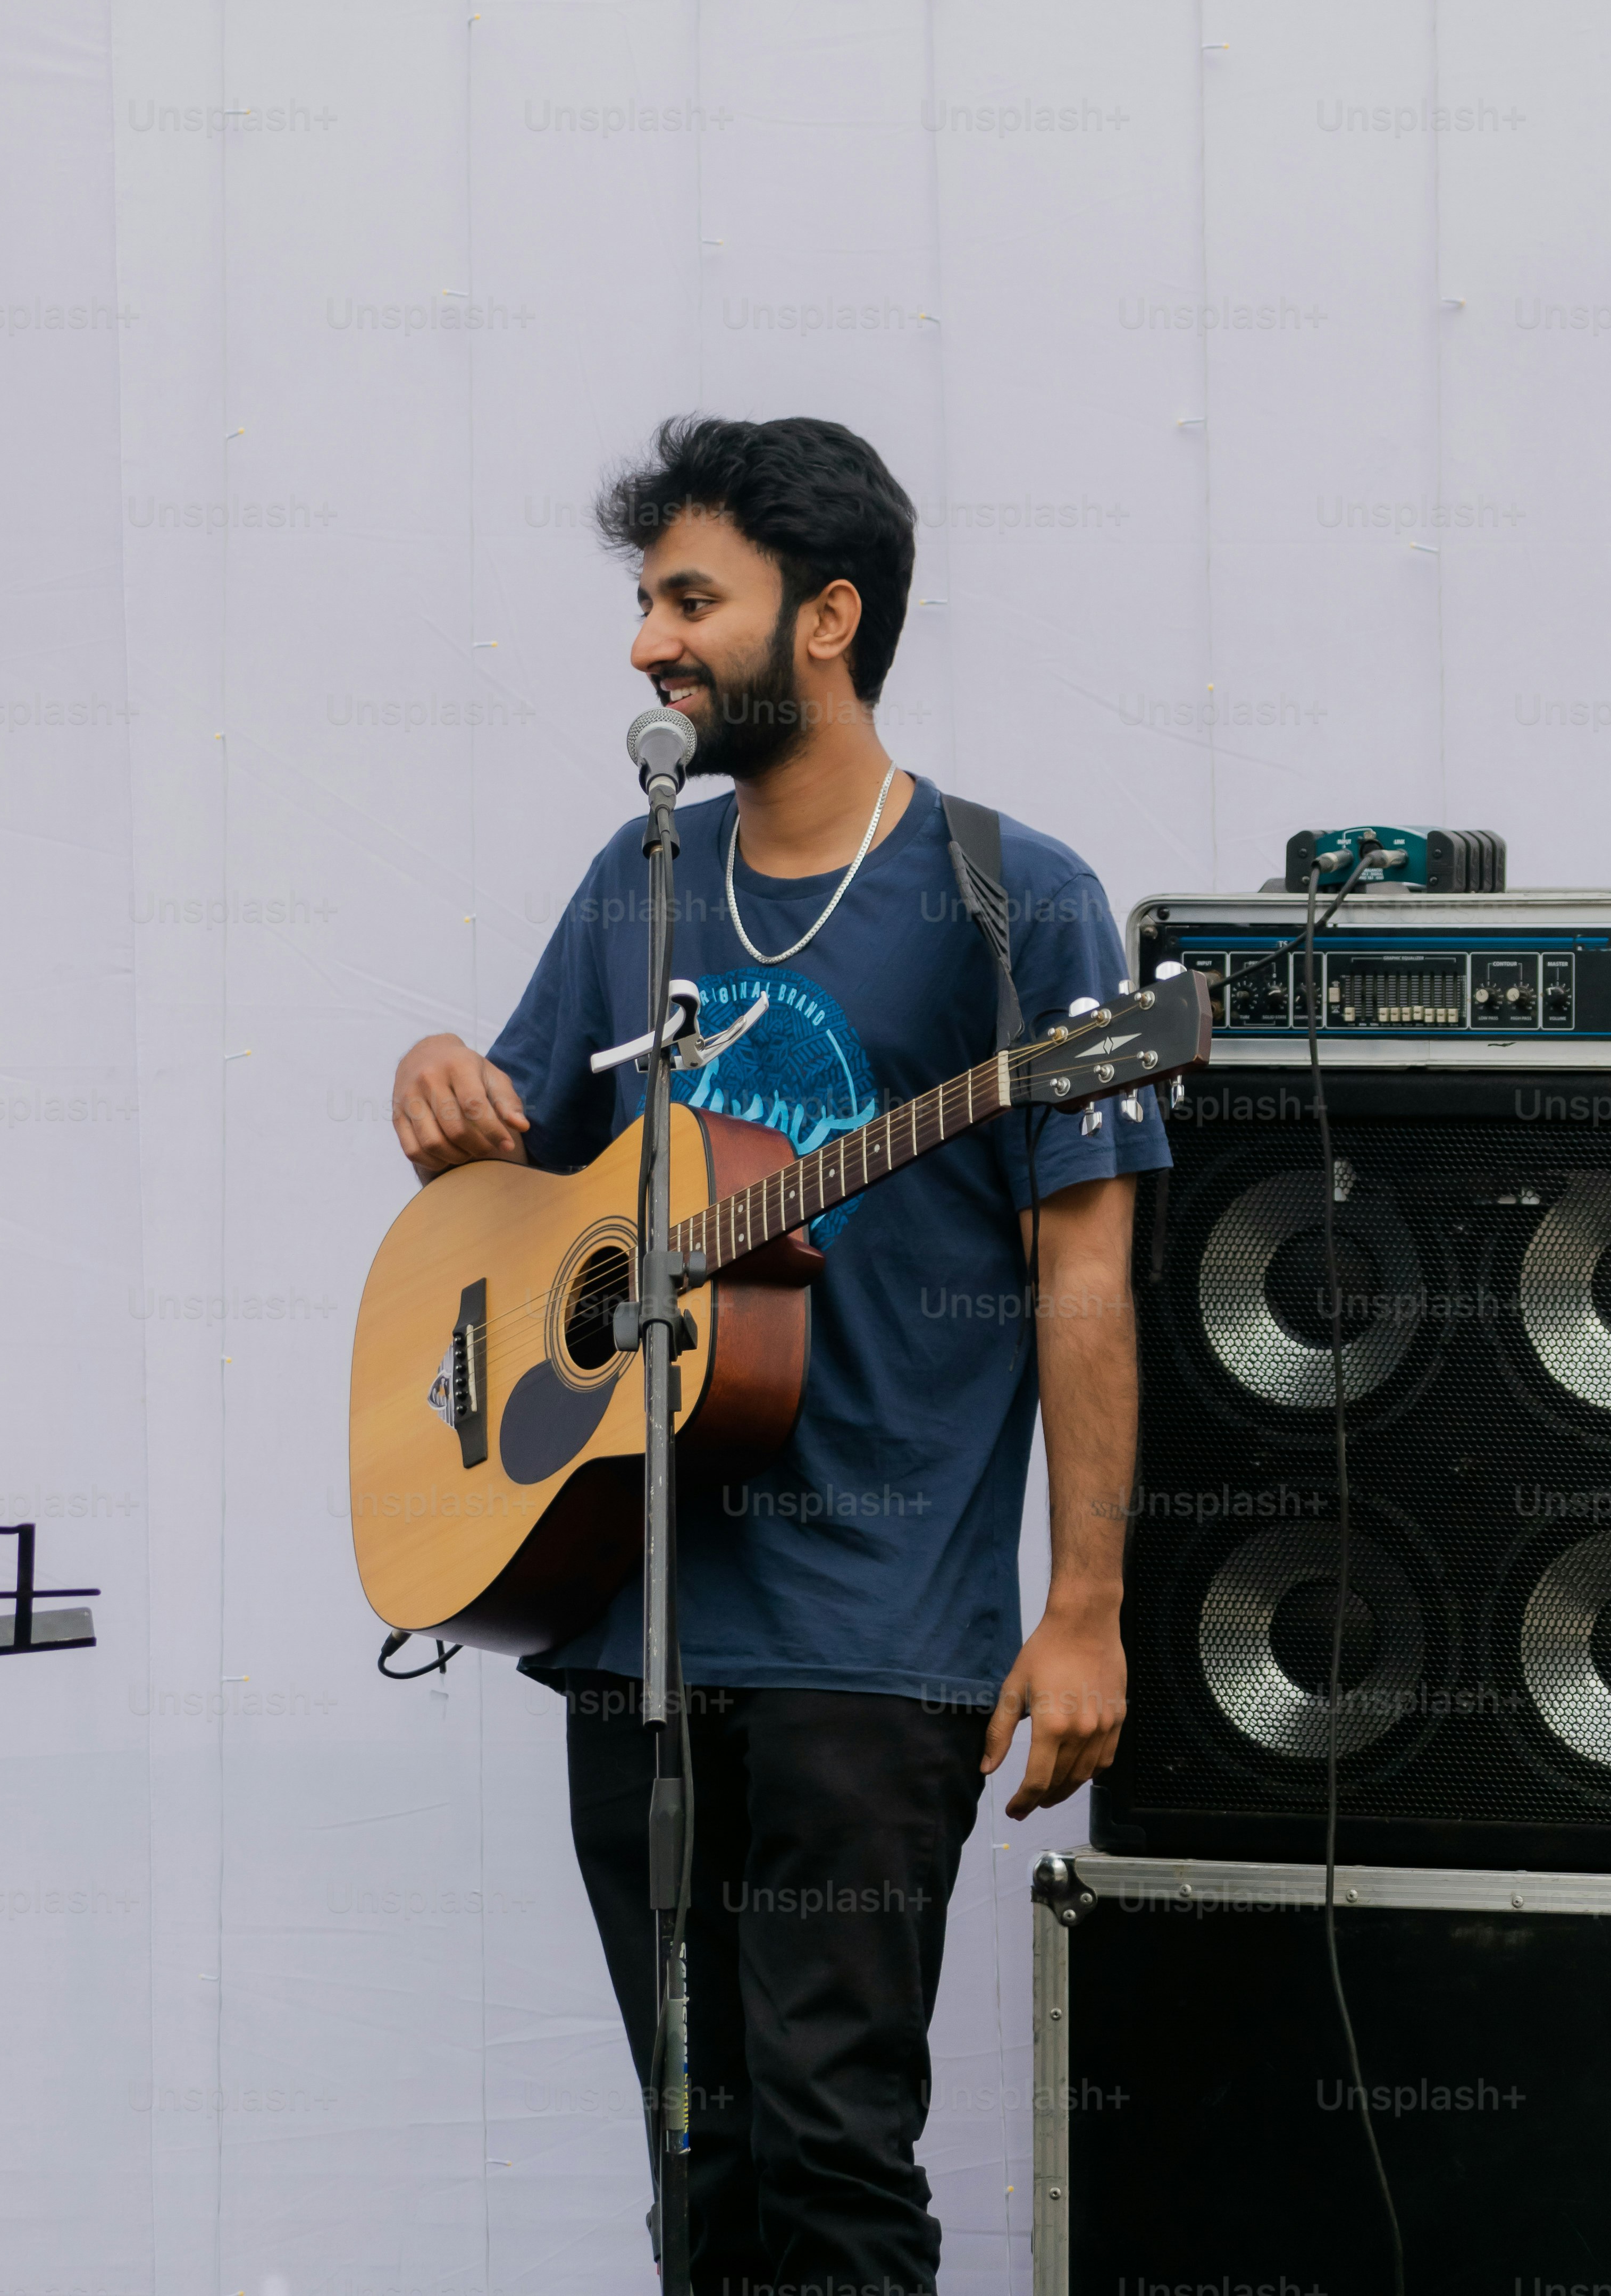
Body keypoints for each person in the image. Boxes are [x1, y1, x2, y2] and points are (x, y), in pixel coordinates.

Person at [389, 414, 1169, 2296]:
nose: (648, 643)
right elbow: (530, 1195)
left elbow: (1085, 1285)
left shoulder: (1010, 898)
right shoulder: (636, 880)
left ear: (827, 618)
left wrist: (1082, 1608)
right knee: (700, 2167)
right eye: (647, 600)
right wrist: (439, 1088)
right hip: (631, 1624)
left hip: (867, 1632)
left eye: (686, 599)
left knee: (828, 2159)